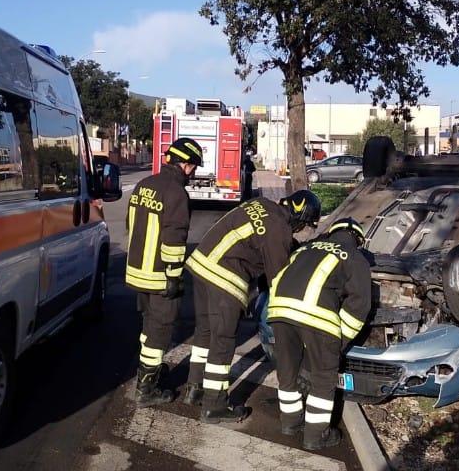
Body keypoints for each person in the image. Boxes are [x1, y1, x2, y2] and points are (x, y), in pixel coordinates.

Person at [183, 190, 322, 423]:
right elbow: (277, 279)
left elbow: (257, 241)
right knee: (223, 341)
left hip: (201, 264)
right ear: (300, 217)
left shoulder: (261, 203)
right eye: (304, 224)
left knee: (205, 332)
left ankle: (195, 387)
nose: (300, 230)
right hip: (224, 276)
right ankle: (214, 405)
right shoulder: (280, 231)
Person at [267, 218, 371, 451]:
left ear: (332, 233)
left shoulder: (306, 248)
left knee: (287, 369)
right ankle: (316, 435)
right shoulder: (354, 257)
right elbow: (359, 305)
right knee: (324, 377)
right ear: (358, 240)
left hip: (279, 309)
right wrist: (339, 339)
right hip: (316, 316)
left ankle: (290, 423)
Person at [125, 137, 204, 406]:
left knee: (149, 327)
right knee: (159, 332)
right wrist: (173, 276)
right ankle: (146, 390)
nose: (193, 173)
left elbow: (130, 225)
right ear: (185, 165)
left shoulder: (143, 185)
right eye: (193, 167)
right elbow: (174, 240)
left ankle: (151, 371)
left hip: (137, 272)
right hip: (160, 277)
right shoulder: (177, 194)